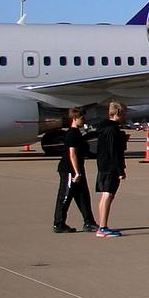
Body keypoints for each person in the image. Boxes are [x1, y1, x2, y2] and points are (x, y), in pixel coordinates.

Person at [51, 108, 97, 233]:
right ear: (74, 119)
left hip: (77, 169)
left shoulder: (77, 133)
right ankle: (58, 224)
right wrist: (76, 172)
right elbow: (72, 154)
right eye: (82, 118)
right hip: (69, 169)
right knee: (65, 196)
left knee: (83, 196)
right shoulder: (72, 133)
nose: (84, 120)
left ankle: (89, 222)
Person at [91, 101, 128, 238]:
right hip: (110, 167)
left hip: (103, 165)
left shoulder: (104, 128)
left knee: (106, 195)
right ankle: (103, 227)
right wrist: (120, 170)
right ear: (117, 113)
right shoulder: (112, 130)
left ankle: (102, 225)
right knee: (108, 195)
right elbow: (114, 151)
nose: (125, 116)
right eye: (123, 113)